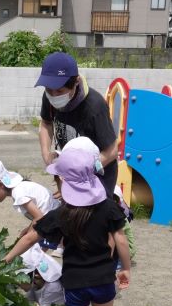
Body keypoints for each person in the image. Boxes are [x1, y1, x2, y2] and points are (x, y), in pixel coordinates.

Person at [2, 138, 130, 306]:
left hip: (75, 281)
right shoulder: (108, 206)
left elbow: (31, 237)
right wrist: (125, 268)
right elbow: (120, 239)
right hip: (103, 277)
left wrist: (8, 257)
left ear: (64, 182)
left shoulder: (62, 213)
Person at [35, 52, 119, 199]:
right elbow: (46, 123)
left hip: (97, 176)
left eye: (60, 91)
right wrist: (46, 154)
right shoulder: (49, 97)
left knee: (93, 212)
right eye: (49, 89)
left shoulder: (95, 106)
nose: (53, 96)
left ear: (76, 82)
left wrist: (82, 172)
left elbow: (112, 151)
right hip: (70, 174)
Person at [0, 160, 60, 240]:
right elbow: (39, 215)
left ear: (0, 185)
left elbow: (39, 217)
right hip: (55, 218)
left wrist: (27, 236)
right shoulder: (20, 187)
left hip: (57, 223)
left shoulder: (18, 193)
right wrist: (28, 229)